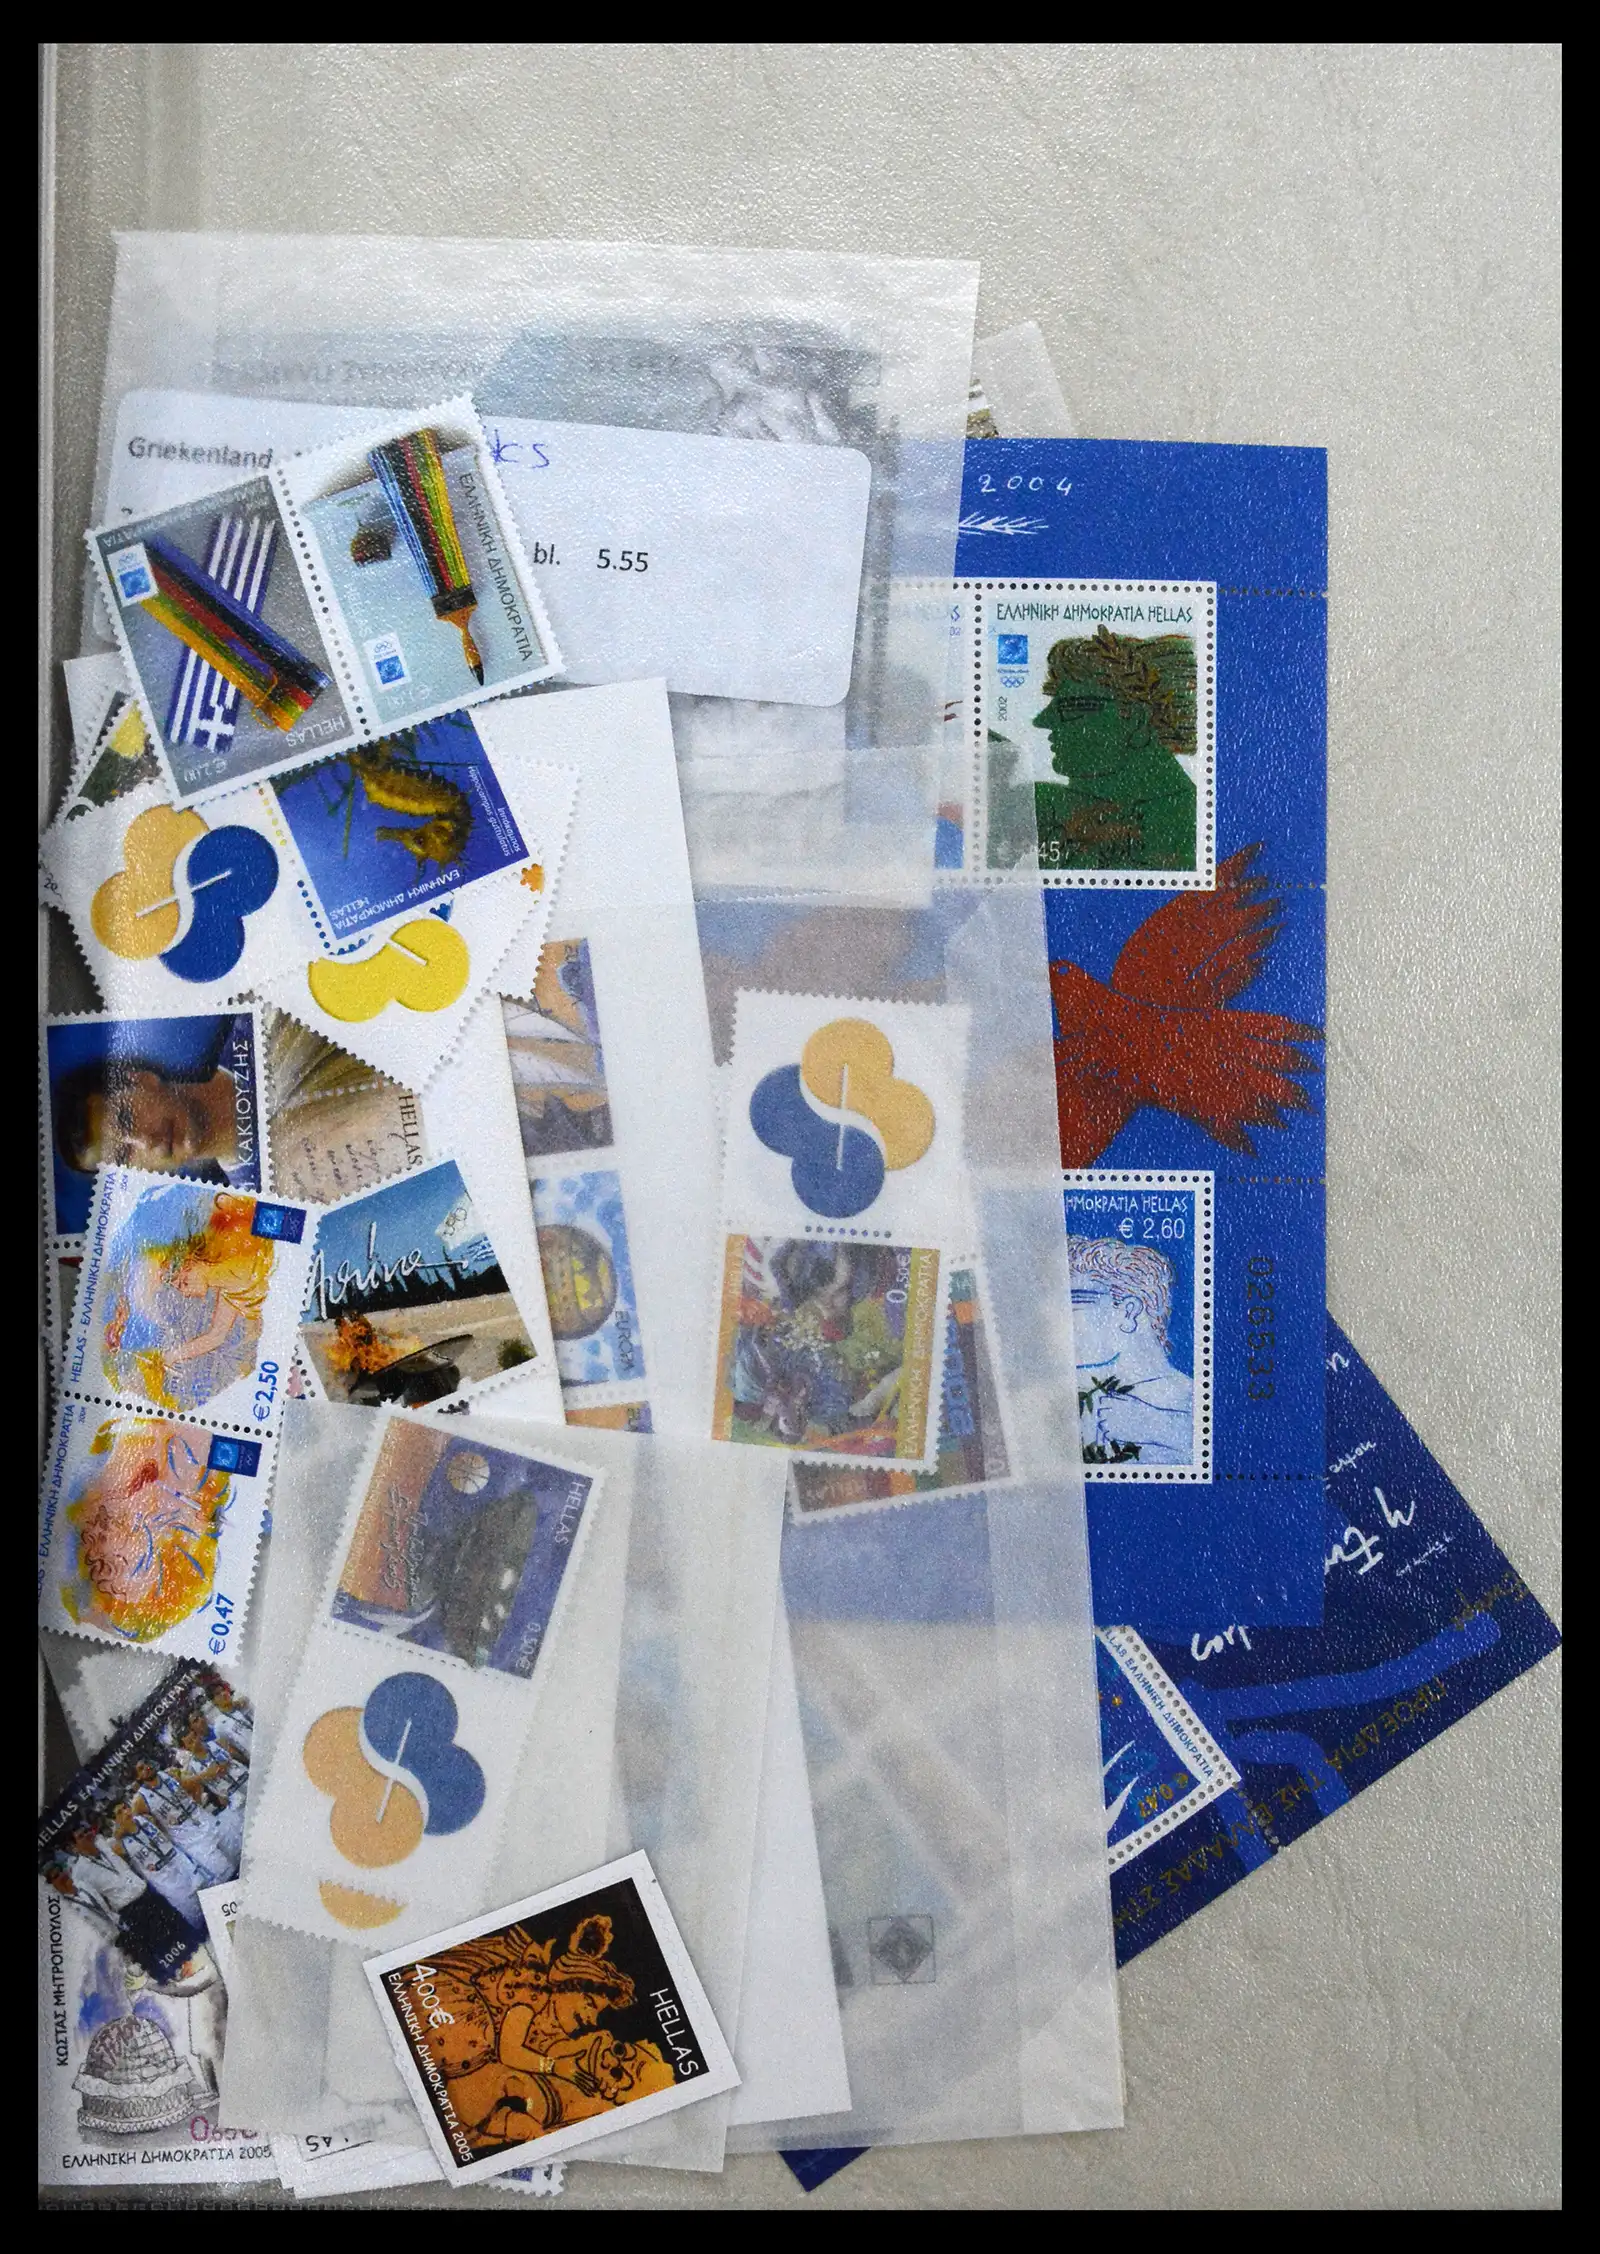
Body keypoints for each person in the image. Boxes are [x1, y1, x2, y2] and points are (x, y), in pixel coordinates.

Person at [1069, 1235, 1195, 1466]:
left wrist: (1154, 1424)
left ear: (1129, 1312)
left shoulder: (1191, 1400)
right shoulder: (1074, 1396)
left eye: (1075, 1303)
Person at [54, 1046, 243, 1186]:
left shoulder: (252, 1030)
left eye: (126, 1119)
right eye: (123, 1155)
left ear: (142, 1079)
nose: (146, 1141)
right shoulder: (253, 1210)